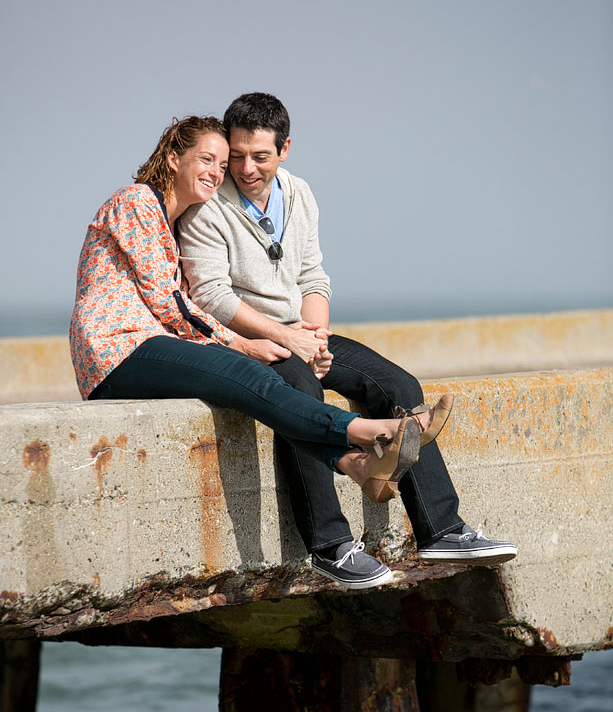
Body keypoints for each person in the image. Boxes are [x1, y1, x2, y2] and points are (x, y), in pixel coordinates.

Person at [69, 115, 453, 589]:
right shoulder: (136, 203)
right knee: (256, 378)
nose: (217, 170)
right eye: (206, 159)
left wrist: (279, 340)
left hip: (151, 344)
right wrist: (241, 342)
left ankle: (356, 464)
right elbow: (174, 306)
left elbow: (179, 308)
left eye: (219, 161)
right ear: (173, 158)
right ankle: (377, 433)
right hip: (117, 353)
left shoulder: (170, 222)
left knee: (263, 383)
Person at [177, 94, 517, 588]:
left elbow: (313, 274)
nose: (247, 168)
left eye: (261, 156)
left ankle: (441, 529)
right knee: (299, 391)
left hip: (300, 329)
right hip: (249, 340)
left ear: (285, 149)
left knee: (399, 385)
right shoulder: (209, 208)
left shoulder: (300, 194)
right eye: (238, 155)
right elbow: (210, 297)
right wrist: (286, 338)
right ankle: (330, 545)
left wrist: (315, 336)